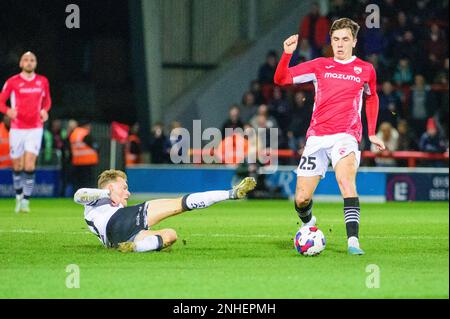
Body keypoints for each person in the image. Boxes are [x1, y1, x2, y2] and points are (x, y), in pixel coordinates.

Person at [274, 18, 385, 255]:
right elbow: (281, 79)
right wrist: (287, 54)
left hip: (347, 136)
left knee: (346, 182)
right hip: (317, 138)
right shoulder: (319, 66)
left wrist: (372, 132)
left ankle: (353, 241)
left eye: (345, 39)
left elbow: (372, 97)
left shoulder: (365, 69)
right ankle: (308, 225)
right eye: (336, 39)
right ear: (330, 42)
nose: (340, 44)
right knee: (302, 198)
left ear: (354, 42)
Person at [74, 170, 256, 252]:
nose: (128, 192)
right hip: (121, 220)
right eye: (124, 187)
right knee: (179, 204)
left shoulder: (98, 210)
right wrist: (108, 192)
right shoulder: (98, 199)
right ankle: (230, 193)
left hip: (116, 240)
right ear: (112, 185)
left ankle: (135, 248)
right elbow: (78, 194)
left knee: (170, 235)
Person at [0, 51, 52, 213]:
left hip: (35, 127)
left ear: (35, 63)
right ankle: (18, 197)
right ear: (21, 63)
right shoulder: (12, 82)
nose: (29, 62)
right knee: (18, 165)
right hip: (17, 129)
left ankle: (25, 202)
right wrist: (8, 111)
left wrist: (45, 110)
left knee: (29, 164)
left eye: (32, 60)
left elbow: (47, 100)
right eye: (26, 60)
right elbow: (1, 101)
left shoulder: (42, 81)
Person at [69, 121, 99, 193]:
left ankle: (77, 195)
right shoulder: (85, 134)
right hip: (88, 161)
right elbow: (95, 146)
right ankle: (90, 195)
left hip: (77, 161)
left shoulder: (73, 134)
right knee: (88, 182)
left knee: (78, 181)